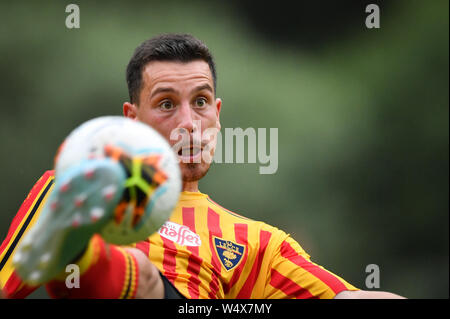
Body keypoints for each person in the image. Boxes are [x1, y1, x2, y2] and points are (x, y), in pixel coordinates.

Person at [0, 34, 404, 299]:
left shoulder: (257, 242)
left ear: (217, 113)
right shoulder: (74, 185)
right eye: (165, 104)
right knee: (139, 273)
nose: (189, 124)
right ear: (131, 119)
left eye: (200, 102)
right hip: (117, 271)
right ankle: (78, 252)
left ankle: (78, 254)